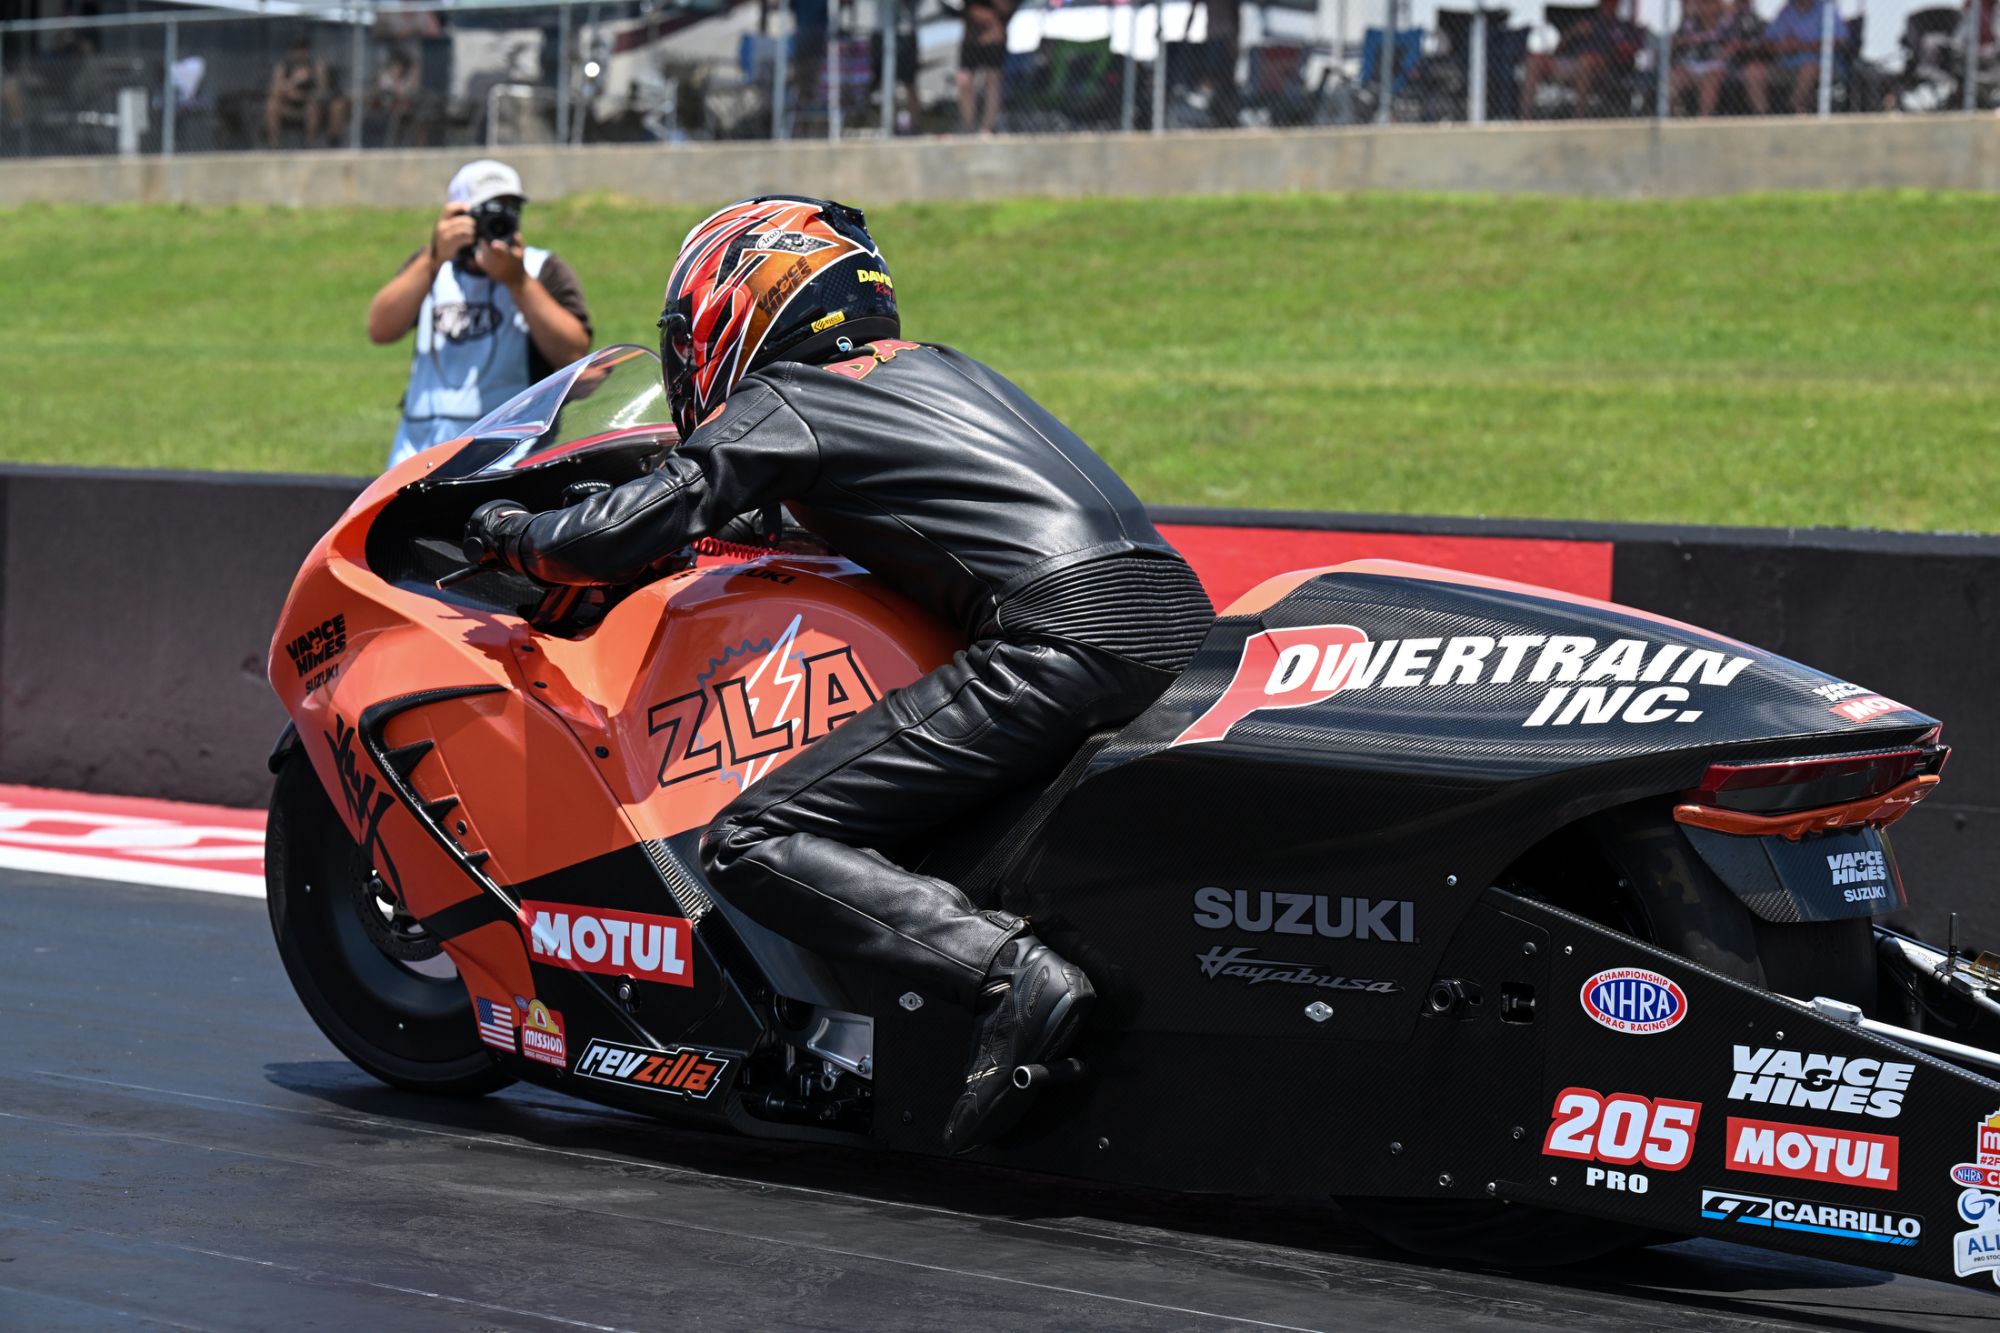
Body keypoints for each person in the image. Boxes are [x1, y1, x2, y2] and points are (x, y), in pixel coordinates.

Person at [461, 196, 1215, 1153]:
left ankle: (1010, 976)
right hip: (1171, 609)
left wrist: (514, 533)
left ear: (741, 302)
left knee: (754, 837)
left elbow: (626, 528)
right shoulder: (933, 368)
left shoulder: (795, 398)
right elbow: (824, 514)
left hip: (1057, 633)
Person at [369, 160, 593, 468]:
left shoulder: (540, 269)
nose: (497, 221)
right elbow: (380, 329)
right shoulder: (431, 268)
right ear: (455, 216)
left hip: (509, 455)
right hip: (420, 454)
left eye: (509, 209)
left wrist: (518, 282)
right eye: (485, 212)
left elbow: (573, 352)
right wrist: (433, 258)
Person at [1520, 0, 1645, 118]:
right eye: (1605, 2)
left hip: (1597, 68)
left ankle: (1578, 116)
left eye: (1612, 3)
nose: (1608, 6)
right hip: (1568, 62)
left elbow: (1626, 54)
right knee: (1534, 60)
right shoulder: (1587, 21)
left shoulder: (1621, 26)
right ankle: (1526, 116)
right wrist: (1573, 33)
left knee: (1586, 61)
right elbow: (1557, 50)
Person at [1741, 0, 1847, 114]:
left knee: (1809, 68)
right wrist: (1782, 47)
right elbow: (1766, 42)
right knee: (1753, 71)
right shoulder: (1787, 11)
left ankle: (1795, 108)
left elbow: (1841, 41)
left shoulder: (1826, 8)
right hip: (1785, 66)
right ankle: (1763, 116)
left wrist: (1802, 46)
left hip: (1820, 66)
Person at [1669, 0, 1763, 116]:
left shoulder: (1728, 22)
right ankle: (1669, 115)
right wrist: (1681, 41)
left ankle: (1703, 118)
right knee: (1675, 76)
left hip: (1718, 64)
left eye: (1711, 4)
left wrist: (1729, 50)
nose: (1706, 8)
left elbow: (1739, 43)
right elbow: (1676, 42)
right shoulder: (1690, 23)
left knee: (1712, 78)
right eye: (1703, 4)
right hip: (1692, 64)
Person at [956, 0, 1014, 133]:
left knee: (992, 79)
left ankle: (987, 128)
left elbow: (1006, 8)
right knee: (964, 80)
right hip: (971, 37)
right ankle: (968, 127)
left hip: (994, 36)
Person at [266, 39, 332, 148]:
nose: (300, 53)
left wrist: (303, 95)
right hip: (288, 107)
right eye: (297, 50)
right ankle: (274, 145)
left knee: (313, 107)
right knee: (272, 105)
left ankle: (311, 144)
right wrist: (295, 80)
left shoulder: (316, 66)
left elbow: (323, 90)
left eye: (303, 50)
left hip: (308, 105)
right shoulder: (284, 66)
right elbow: (275, 89)